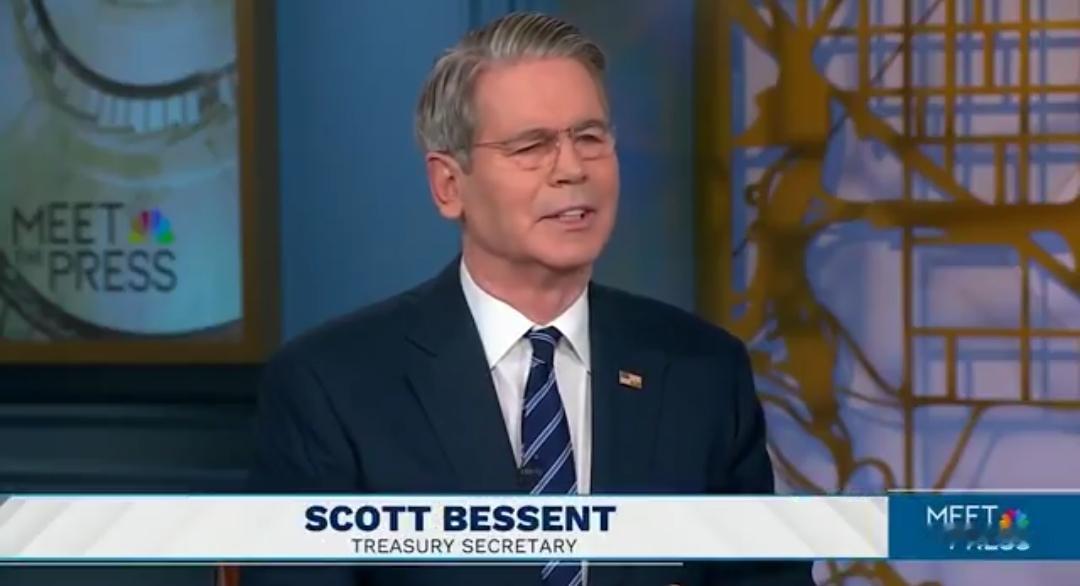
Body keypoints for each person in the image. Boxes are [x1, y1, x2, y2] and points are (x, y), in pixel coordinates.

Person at [244, 11, 815, 586]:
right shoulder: (333, 387)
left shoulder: (703, 373)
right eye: (532, 146)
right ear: (449, 185)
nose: (572, 169)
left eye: (590, 138)